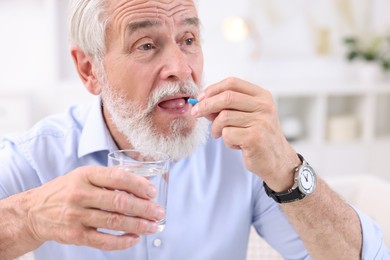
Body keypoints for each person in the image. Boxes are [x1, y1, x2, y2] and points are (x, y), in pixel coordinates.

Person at [0, 0, 389, 259]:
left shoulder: (239, 154)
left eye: (188, 40)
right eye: (146, 45)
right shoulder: (39, 155)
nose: (181, 68)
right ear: (89, 69)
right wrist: (30, 216)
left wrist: (288, 168)